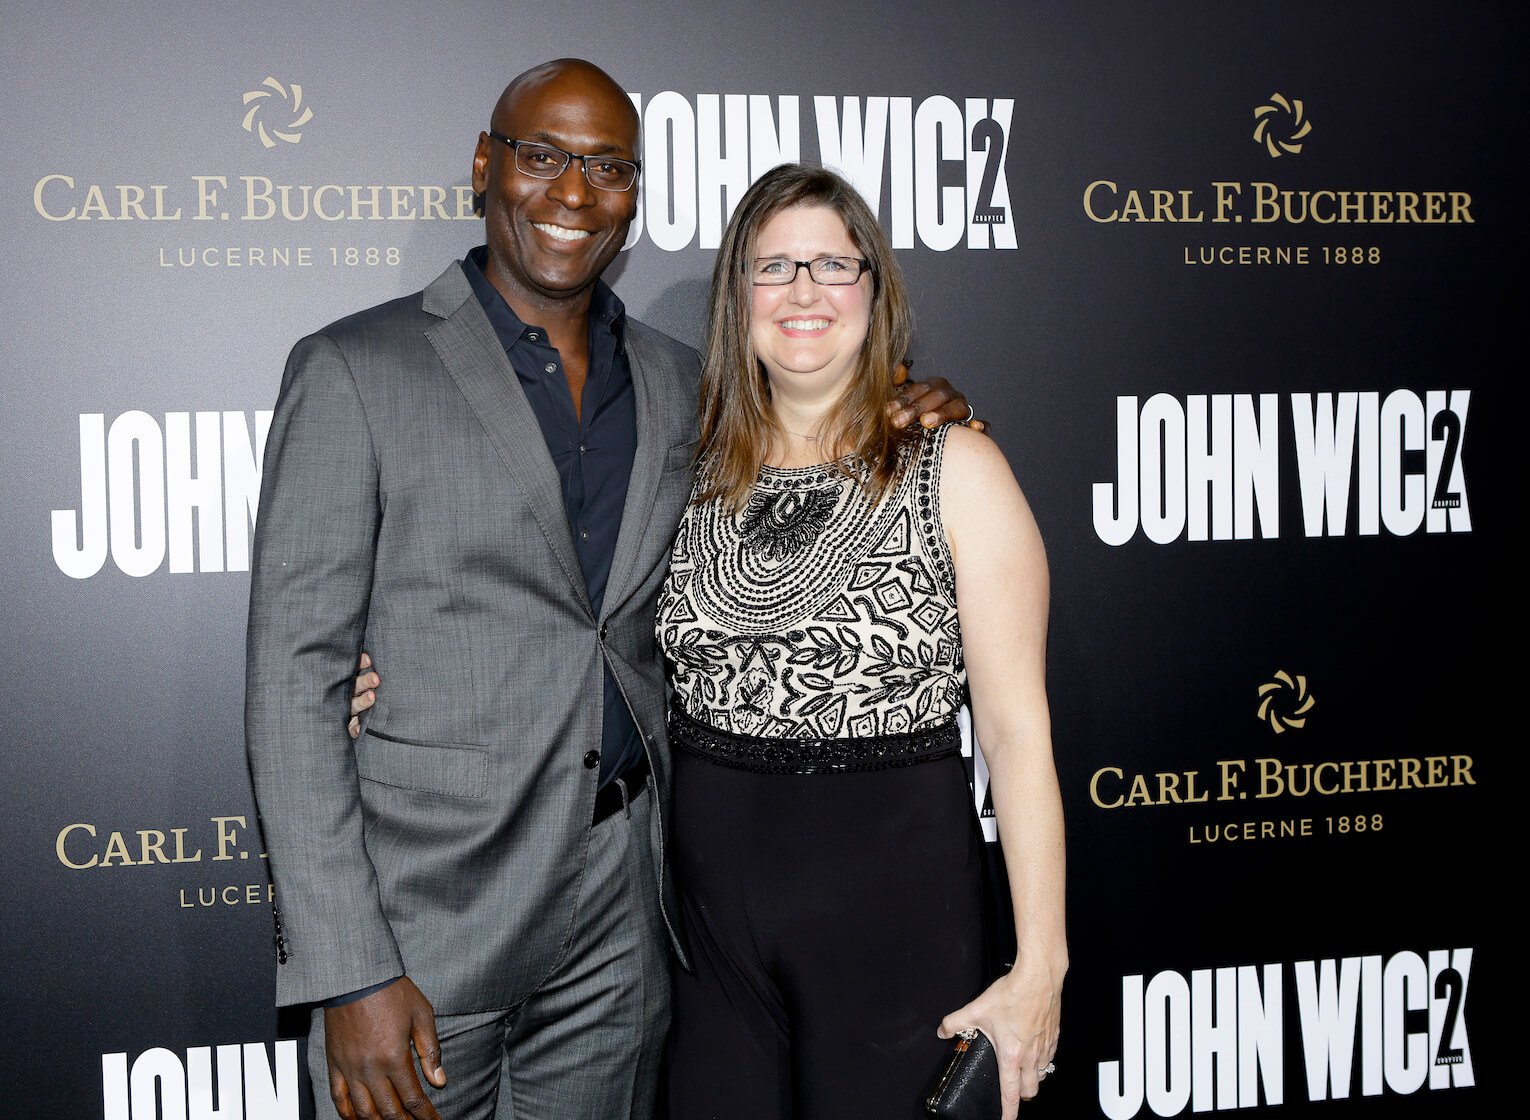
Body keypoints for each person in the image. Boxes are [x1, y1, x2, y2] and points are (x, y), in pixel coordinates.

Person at [246, 59, 973, 1120]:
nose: (573, 192)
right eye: (542, 156)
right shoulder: (357, 369)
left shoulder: (690, 384)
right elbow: (290, 686)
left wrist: (913, 403)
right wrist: (347, 968)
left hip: (625, 926)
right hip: (422, 924)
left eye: (608, 166)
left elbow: (820, 424)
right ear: (486, 167)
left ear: (635, 195)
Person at [655, 164, 1066, 1120]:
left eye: (834, 266)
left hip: (897, 909)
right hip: (708, 941)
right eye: (775, 267)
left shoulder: (957, 465)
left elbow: (1016, 736)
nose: (804, 292)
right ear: (738, 297)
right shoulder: (684, 470)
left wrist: (1041, 963)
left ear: (874, 290)